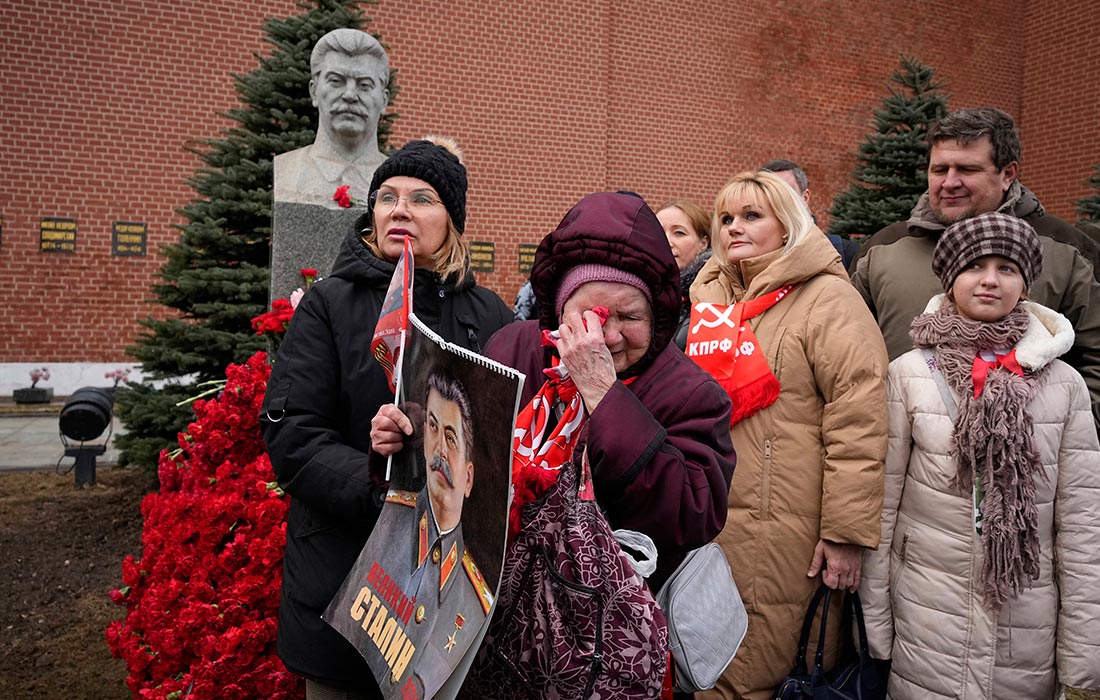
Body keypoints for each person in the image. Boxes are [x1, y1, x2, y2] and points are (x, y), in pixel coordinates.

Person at [261, 136, 512, 700]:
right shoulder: (330, 303)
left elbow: (508, 441)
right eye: (387, 197)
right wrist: (379, 478)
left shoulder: (491, 315)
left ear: (452, 222)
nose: (400, 209)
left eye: (422, 199)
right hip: (345, 585)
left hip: (450, 606)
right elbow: (293, 433)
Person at [860, 212, 1100, 699]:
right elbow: (882, 505)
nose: (990, 280)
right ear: (950, 279)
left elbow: (1082, 528)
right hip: (926, 617)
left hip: (1026, 628)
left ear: (1025, 285)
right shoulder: (909, 374)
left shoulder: (1065, 384)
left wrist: (1081, 668)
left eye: (1007, 268)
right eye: (975, 266)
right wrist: (875, 628)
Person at [689, 171, 887, 700]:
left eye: (752, 216)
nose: (734, 227)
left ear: (788, 224)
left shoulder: (828, 300)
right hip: (711, 515)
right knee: (707, 658)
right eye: (726, 218)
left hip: (787, 525)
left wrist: (845, 533)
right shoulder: (707, 300)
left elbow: (860, 420)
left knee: (766, 663)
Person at [485, 191, 737, 590]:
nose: (609, 337)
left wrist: (604, 395)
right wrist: (412, 433)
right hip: (495, 589)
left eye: (630, 317)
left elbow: (692, 516)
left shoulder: (692, 393)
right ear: (559, 310)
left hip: (606, 608)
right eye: (592, 316)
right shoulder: (511, 347)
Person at [849, 107, 1100, 432]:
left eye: (967, 169)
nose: (949, 182)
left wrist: (1056, 433)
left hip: (1028, 455)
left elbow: (1095, 357)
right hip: (900, 452)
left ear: (1008, 174)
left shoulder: (1067, 251)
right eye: (940, 169)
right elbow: (846, 356)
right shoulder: (882, 250)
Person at [368, 370, 492, 700]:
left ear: (469, 477)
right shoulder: (392, 527)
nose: (439, 450)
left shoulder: (476, 594)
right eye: (433, 428)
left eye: (451, 438)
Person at [274, 29, 390, 208]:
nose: (350, 95)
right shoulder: (285, 171)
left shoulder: (398, 181)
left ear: (384, 100)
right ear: (314, 91)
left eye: (364, 84)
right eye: (336, 81)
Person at [760, 159, 860, 269]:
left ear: (805, 198)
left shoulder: (843, 253)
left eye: (786, 193)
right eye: (766, 194)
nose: (777, 201)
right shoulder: (748, 256)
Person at [655, 198, 712, 350]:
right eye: (659, 232)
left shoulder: (715, 292)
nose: (666, 241)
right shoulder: (637, 291)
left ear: (703, 243)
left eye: (679, 233)